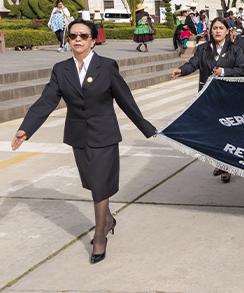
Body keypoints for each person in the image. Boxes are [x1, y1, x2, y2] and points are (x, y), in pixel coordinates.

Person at [11, 19, 156, 264]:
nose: (77, 40)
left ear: (93, 39)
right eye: (73, 36)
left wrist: (146, 127)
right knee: (92, 184)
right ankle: (107, 219)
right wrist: (26, 129)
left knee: (100, 185)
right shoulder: (61, 69)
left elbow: (125, 100)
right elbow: (47, 101)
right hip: (78, 136)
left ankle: (100, 235)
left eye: (83, 36)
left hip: (104, 135)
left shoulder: (107, 66)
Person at [171, 17, 244, 183]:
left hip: (228, 97)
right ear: (210, 31)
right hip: (208, 97)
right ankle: (218, 162)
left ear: (227, 31)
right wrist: (181, 70)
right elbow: (192, 64)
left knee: (226, 131)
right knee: (213, 132)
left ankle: (226, 167)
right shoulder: (203, 49)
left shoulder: (235, 50)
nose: (218, 31)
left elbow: (242, 69)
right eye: (215, 28)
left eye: (221, 28)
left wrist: (224, 72)